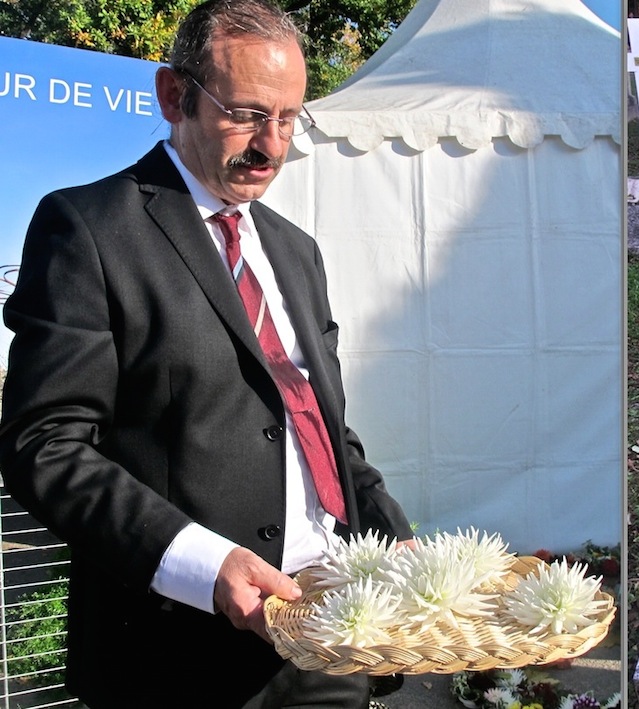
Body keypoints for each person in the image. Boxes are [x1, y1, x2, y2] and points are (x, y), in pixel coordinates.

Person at [0, 0, 413, 705]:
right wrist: (206, 563)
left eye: (289, 119)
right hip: (174, 655)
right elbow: (45, 444)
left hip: (325, 641)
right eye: (248, 113)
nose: (272, 145)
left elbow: (319, 427)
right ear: (173, 96)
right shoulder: (88, 228)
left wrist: (389, 532)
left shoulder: (294, 251)